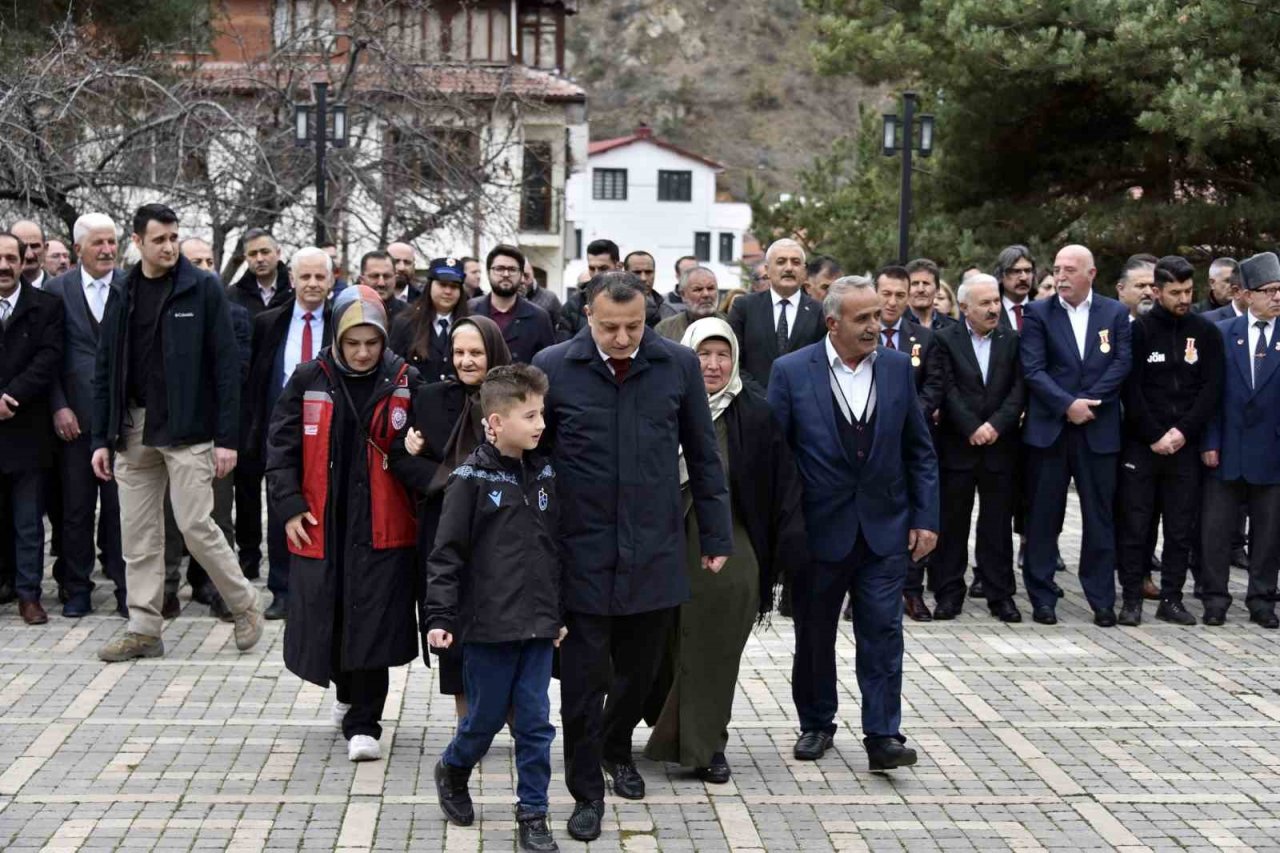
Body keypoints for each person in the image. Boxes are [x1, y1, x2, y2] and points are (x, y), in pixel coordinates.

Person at [532, 272, 732, 842]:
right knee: (580, 681)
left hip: (654, 547)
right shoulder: (554, 365)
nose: (623, 339)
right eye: (611, 327)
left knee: (641, 673)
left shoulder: (677, 364)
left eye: (634, 327)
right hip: (581, 550)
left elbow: (702, 452)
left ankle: (615, 745)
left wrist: (716, 536)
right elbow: (534, 459)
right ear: (589, 318)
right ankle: (585, 794)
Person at [768, 276, 938, 771]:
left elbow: (919, 451)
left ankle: (883, 734)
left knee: (883, 632)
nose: (876, 325)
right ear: (833, 322)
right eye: (863, 318)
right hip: (819, 531)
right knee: (814, 634)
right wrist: (784, 529)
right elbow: (778, 458)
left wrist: (926, 516)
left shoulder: (895, 369)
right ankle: (816, 723)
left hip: (885, 527)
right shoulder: (791, 371)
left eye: (877, 316)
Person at [93, 204, 264, 661]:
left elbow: (227, 370)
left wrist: (226, 439)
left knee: (195, 526)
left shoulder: (203, 288)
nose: (169, 247)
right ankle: (144, 627)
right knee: (138, 535)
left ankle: (245, 603)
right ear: (138, 243)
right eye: (159, 240)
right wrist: (100, 438)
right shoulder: (123, 291)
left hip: (189, 428)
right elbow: (106, 367)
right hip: (133, 428)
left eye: (173, 238)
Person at [643, 317, 806, 782]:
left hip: (731, 539)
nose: (712, 365)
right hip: (664, 535)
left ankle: (705, 743)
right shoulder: (662, 403)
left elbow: (780, 487)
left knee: (715, 640)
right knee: (664, 638)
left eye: (723, 355)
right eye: (702, 354)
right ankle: (666, 727)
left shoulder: (755, 412)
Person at [265, 285, 420, 760]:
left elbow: (421, 444)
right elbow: (281, 445)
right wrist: (289, 505)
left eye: (371, 341)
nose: (362, 352)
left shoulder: (405, 379)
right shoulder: (309, 376)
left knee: (373, 617)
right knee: (330, 614)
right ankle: (346, 693)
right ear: (336, 336)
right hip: (324, 518)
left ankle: (366, 721)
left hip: (381, 521)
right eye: (352, 342)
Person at [426, 364, 564, 852]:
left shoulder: (546, 472)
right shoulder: (469, 479)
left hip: (539, 627)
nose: (540, 424)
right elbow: (446, 554)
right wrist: (440, 618)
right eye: (529, 415)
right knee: (482, 721)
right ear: (496, 422)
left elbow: (553, 549)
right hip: (488, 628)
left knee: (535, 723)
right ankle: (455, 767)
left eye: (541, 413)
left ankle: (533, 814)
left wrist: (557, 614)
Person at [390, 316, 512, 720]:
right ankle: (467, 720)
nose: (466, 361)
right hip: (447, 529)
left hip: (503, 530)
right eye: (459, 352)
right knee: (454, 622)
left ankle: (513, 714)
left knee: (505, 621)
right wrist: (448, 481)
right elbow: (400, 458)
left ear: (493, 352)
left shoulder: (515, 397)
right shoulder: (429, 398)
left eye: (476, 352)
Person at [1020, 244, 1131, 627]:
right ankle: (1042, 595)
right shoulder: (1037, 313)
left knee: (1099, 517)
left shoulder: (1114, 313)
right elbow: (1033, 369)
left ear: (1091, 274)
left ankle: (1101, 598)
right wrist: (1068, 404)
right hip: (1051, 429)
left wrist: (1091, 403)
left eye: (1070, 269)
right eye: (1057, 269)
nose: (1062, 276)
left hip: (1098, 430)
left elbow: (1121, 363)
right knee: (1043, 517)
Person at [1118, 256, 1222, 626]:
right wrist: (1154, 435)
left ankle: (1172, 598)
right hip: (1143, 446)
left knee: (1179, 528)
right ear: (1157, 291)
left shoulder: (1206, 332)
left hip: (1184, 446)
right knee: (1136, 525)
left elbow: (1211, 389)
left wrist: (1182, 433)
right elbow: (1130, 390)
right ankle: (1131, 598)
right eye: (1175, 292)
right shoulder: (1139, 331)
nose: (1183, 299)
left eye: (1188, 291)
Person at [242, 247, 336, 620]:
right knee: (282, 505)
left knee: (325, 508)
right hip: (282, 430)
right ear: (292, 279)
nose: (312, 284)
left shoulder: (340, 321)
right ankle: (281, 589)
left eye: (320, 277)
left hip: (328, 429)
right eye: (305, 277)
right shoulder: (270, 322)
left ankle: (322, 587)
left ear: (331, 281)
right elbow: (258, 378)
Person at [45, 214, 126, 618]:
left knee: (122, 513)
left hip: (121, 425)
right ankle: (76, 588)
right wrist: (59, 404)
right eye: (98, 243)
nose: (107, 250)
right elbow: (49, 355)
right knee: (75, 510)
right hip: (74, 423)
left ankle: (128, 592)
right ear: (78, 249)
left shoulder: (131, 287)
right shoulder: (57, 291)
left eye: (111, 242)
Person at [931, 275, 1026, 622]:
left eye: (996, 302)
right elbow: (946, 387)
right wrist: (971, 426)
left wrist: (995, 426)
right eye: (984, 303)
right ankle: (948, 592)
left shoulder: (1013, 339)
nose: (993, 309)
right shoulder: (944, 340)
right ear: (965, 307)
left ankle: (1000, 594)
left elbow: (1019, 389)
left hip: (999, 447)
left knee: (997, 525)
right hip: (958, 445)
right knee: (953, 523)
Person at [1201, 251, 1280, 628]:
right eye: (1270, 291)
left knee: (1268, 533)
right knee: (1217, 530)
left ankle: (1262, 599)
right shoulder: (1220, 333)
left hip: (1273, 449)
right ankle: (1215, 599)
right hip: (1227, 447)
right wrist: (1209, 442)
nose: (1278, 298)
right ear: (1247, 295)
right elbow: (1209, 395)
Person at [176, 238, 254, 617]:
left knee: (218, 516)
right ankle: (165, 592)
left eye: (210, 259)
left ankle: (219, 588)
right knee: (173, 517)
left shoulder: (234, 314)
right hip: (173, 431)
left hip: (215, 430)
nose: (205, 266)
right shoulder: (169, 309)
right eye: (196, 260)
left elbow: (236, 373)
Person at [0, 230, 64, 624]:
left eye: (11, 257)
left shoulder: (46, 306)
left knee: (28, 521)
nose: (4, 266)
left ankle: (29, 594)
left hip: (26, 426)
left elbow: (49, 357)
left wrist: (10, 397)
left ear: (23, 260)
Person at [876, 265, 945, 621]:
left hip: (913, 441)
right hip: (872, 445)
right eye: (885, 294)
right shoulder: (864, 335)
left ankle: (912, 591)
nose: (892, 302)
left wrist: (906, 415)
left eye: (899, 295)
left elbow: (933, 385)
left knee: (916, 516)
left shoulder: (925, 338)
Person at [728, 238, 825, 389]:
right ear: (767, 270)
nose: (789, 268)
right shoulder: (744, 307)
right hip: (754, 404)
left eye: (796, 262)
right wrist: (762, 398)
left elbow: (822, 363)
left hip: (804, 404)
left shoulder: (819, 312)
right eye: (781, 262)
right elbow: (734, 362)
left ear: (804, 271)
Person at [468, 245, 555, 364]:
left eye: (512, 269)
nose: (505, 274)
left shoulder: (539, 317)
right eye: (499, 268)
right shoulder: (470, 311)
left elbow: (548, 364)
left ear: (521, 275)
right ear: (488, 273)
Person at [389, 257, 470, 384]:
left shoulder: (471, 325)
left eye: (454, 286)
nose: (448, 291)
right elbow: (393, 371)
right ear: (430, 285)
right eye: (442, 285)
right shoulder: (405, 323)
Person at [227, 228, 293, 319]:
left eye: (265, 252)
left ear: (278, 253)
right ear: (246, 258)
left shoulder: (295, 291)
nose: (259, 259)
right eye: (253, 254)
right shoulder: (231, 296)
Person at [560, 239, 620, 337]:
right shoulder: (573, 306)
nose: (596, 274)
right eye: (592, 269)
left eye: (603, 268)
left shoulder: (634, 300)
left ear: (618, 266)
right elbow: (565, 347)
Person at [654, 266, 722, 342]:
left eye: (710, 288)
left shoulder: (730, 325)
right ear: (683, 295)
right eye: (698, 289)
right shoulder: (665, 329)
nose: (706, 294)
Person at [623, 250, 676, 326]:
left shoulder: (667, 311)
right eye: (637, 272)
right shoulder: (612, 307)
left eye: (648, 272)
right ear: (625, 273)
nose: (643, 278)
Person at [994, 245, 1035, 333]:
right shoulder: (992, 311)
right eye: (1016, 271)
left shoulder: (1045, 310)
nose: (1024, 278)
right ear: (1001, 275)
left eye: (1028, 271)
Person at [905, 258, 956, 329]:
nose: (921, 289)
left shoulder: (953, 327)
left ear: (937, 290)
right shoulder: (896, 325)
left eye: (926, 283)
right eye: (915, 284)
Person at [358, 250, 407, 324]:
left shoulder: (411, 316)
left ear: (395, 279)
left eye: (387, 276)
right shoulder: (350, 314)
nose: (381, 283)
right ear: (362, 280)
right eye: (375, 276)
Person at [1115, 254, 1157, 321]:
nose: (1149, 292)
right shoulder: (1105, 324)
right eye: (1141, 286)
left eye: (1153, 286)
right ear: (1121, 289)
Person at [10, 220, 48, 290]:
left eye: (34, 246)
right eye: (22, 247)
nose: (29, 255)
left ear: (45, 248)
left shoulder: (60, 290)